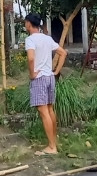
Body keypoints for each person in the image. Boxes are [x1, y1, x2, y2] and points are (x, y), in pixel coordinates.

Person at [24, 13, 67, 155]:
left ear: (29, 24)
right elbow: (63, 53)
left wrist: (32, 73)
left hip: (39, 78)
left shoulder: (30, 40)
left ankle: (52, 147)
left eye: (25, 23)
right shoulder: (47, 38)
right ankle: (53, 141)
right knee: (50, 110)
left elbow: (31, 58)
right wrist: (56, 71)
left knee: (43, 112)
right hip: (49, 77)